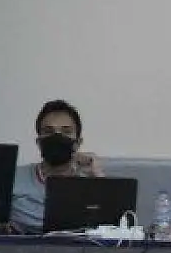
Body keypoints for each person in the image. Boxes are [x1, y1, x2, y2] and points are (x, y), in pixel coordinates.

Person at [10, 99, 104, 234]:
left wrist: (98, 179)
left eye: (66, 132)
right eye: (48, 131)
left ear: (77, 143)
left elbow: (115, 228)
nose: (57, 137)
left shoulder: (90, 182)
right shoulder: (13, 178)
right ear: (39, 142)